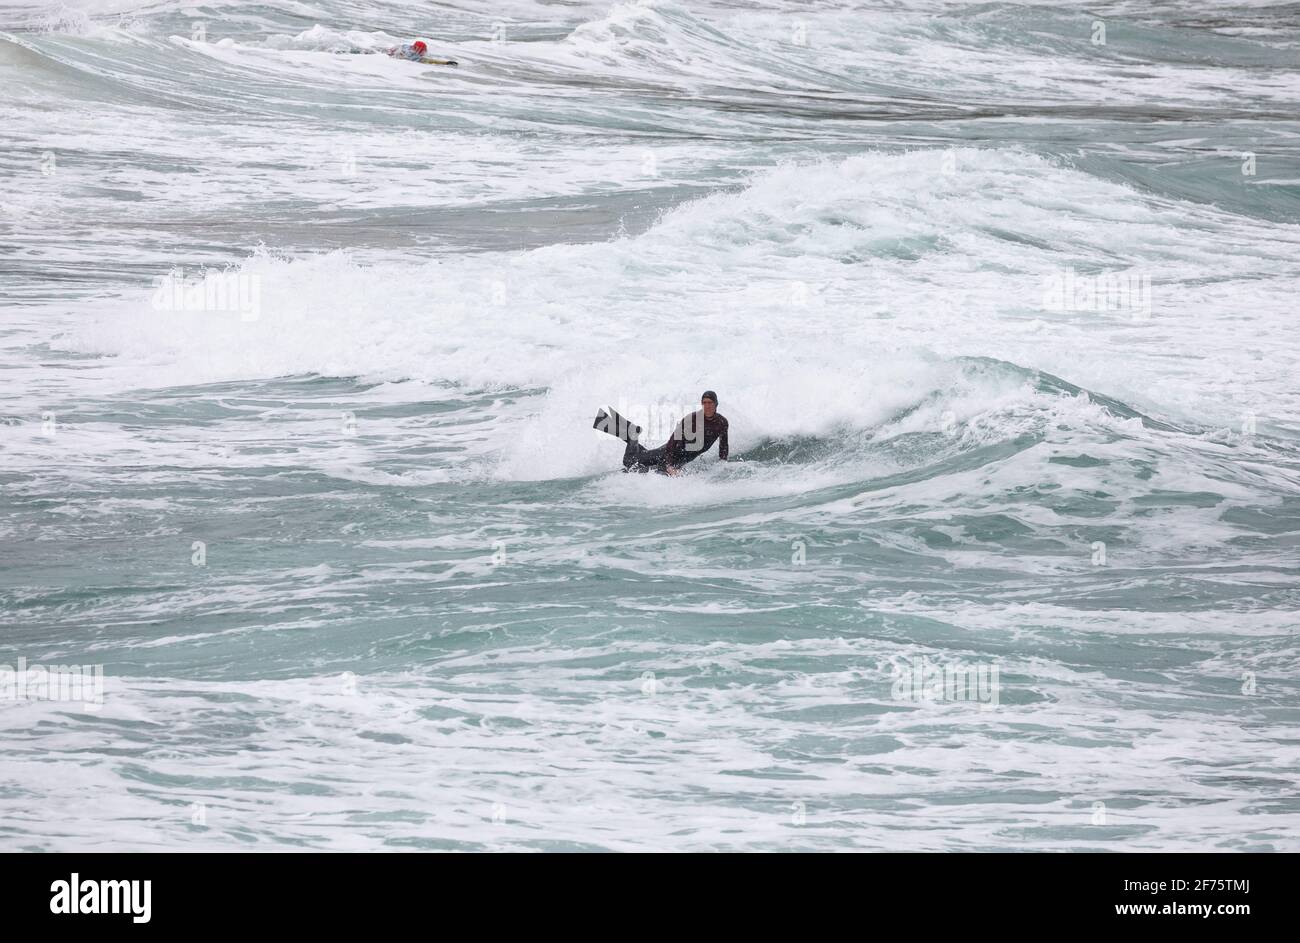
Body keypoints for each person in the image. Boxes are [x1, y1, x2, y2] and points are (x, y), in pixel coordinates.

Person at [615, 391, 729, 475]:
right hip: (666, 454)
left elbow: (723, 446)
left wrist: (723, 464)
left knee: (644, 468)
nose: (707, 406)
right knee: (629, 462)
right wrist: (669, 465)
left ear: (716, 404)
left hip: (680, 460)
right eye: (704, 403)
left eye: (710, 403)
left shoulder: (722, 422)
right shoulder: (692, 419)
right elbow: (672, 442)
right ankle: (633, 434)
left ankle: (637, 446)